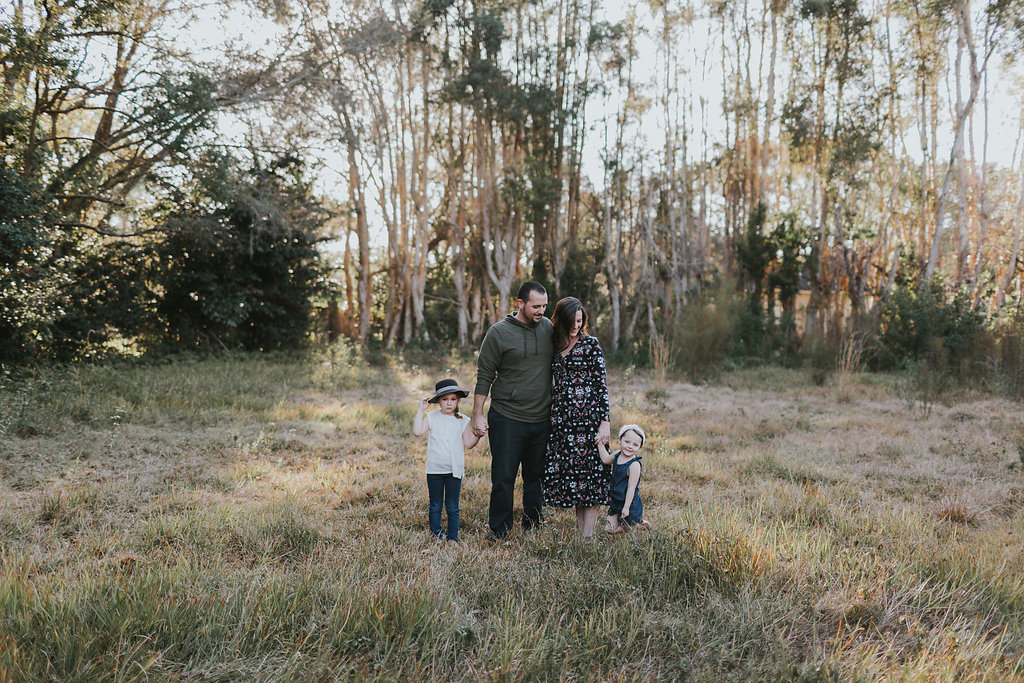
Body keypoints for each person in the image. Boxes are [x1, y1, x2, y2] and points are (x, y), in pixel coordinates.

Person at [472, 281, 554, 539]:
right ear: (520, 303)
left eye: (544, 305)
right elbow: (484, 375)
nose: (541, 311)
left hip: (541, 418)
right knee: (503, 477)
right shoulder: (498, 333)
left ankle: (533, 524)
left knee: (535, 477)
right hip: (507, 418)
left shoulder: (549, 328)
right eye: (535, 306)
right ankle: (499, 529)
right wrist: (477, 414)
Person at [542, 297, 611, 539]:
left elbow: (601, 385)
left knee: (591, 477)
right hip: (562, 422)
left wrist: (605, 422)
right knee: (574, 478)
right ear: (561, 321)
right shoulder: (553, 345)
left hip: (590, 421)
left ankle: (587, 537)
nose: (576, 327)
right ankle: (582, 535)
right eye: (571, 322)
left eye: (580, 322)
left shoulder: (591, 344)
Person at [413, 378, 481, 543]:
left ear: (458, 401)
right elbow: (417, 431)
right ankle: (436, 535)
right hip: (435, 470)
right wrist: (421, 410)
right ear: (438, 401)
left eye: (453, 399)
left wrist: (478, 436)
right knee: (435, 505)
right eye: (445, 399)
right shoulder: (432, 417)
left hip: (454, 470)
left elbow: (469, 444)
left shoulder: (462, 420)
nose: (449, 403)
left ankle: (452, 538)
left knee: (452, 507)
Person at [597, 424, 651, 533]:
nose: (630, 446)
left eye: (635, 445)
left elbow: (631, 487)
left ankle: (641, 524)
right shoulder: (617, 455)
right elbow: (606, 459)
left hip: (629, 504)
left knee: (630, 531)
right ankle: (634, 524)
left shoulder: (634, 465)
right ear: (619, 440)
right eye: (627, 442)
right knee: (609, 529)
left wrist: (626, 508)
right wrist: (599, 443)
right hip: (616, 501)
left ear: (640, 448)